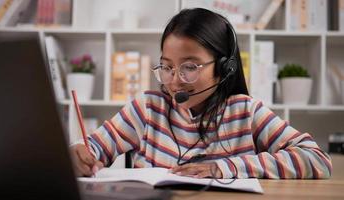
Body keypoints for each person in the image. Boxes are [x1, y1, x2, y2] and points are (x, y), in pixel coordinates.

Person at [70, 8, 332, 179]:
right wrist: (79, 155)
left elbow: (317, 159)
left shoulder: (245, 112)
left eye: (189, 67)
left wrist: (223, 167)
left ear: (224, 68)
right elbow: (93, 150)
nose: (175, 81)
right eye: (167, 67)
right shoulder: (147, 109)